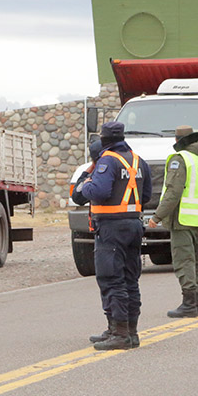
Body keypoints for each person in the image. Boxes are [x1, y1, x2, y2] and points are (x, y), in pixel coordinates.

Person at [73, 121, 152, 350]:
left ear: (104, 138)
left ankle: (119, 334)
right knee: (130, 279)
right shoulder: (138, 160)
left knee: (111, 279)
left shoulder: (107, 160)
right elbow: (146, 195)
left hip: (111, 228)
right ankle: (130, 332)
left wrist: (87, 183)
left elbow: (98, 191)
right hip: (134, 225)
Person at [149, 125, 198, 318]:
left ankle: (189, 305)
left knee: (184, 260)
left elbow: (173, 192)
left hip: (182, 219)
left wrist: (157, 216)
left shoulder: (181, 159)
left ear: (177, 140)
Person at [70, 140, 111, 344]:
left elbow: (78, 196)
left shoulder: (100, 173)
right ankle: (127, 329)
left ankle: (117, 330)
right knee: (127, 282)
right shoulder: (133, 165)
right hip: (130, 228)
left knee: (110, 280)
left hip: (107, 231)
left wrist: (88, 174)